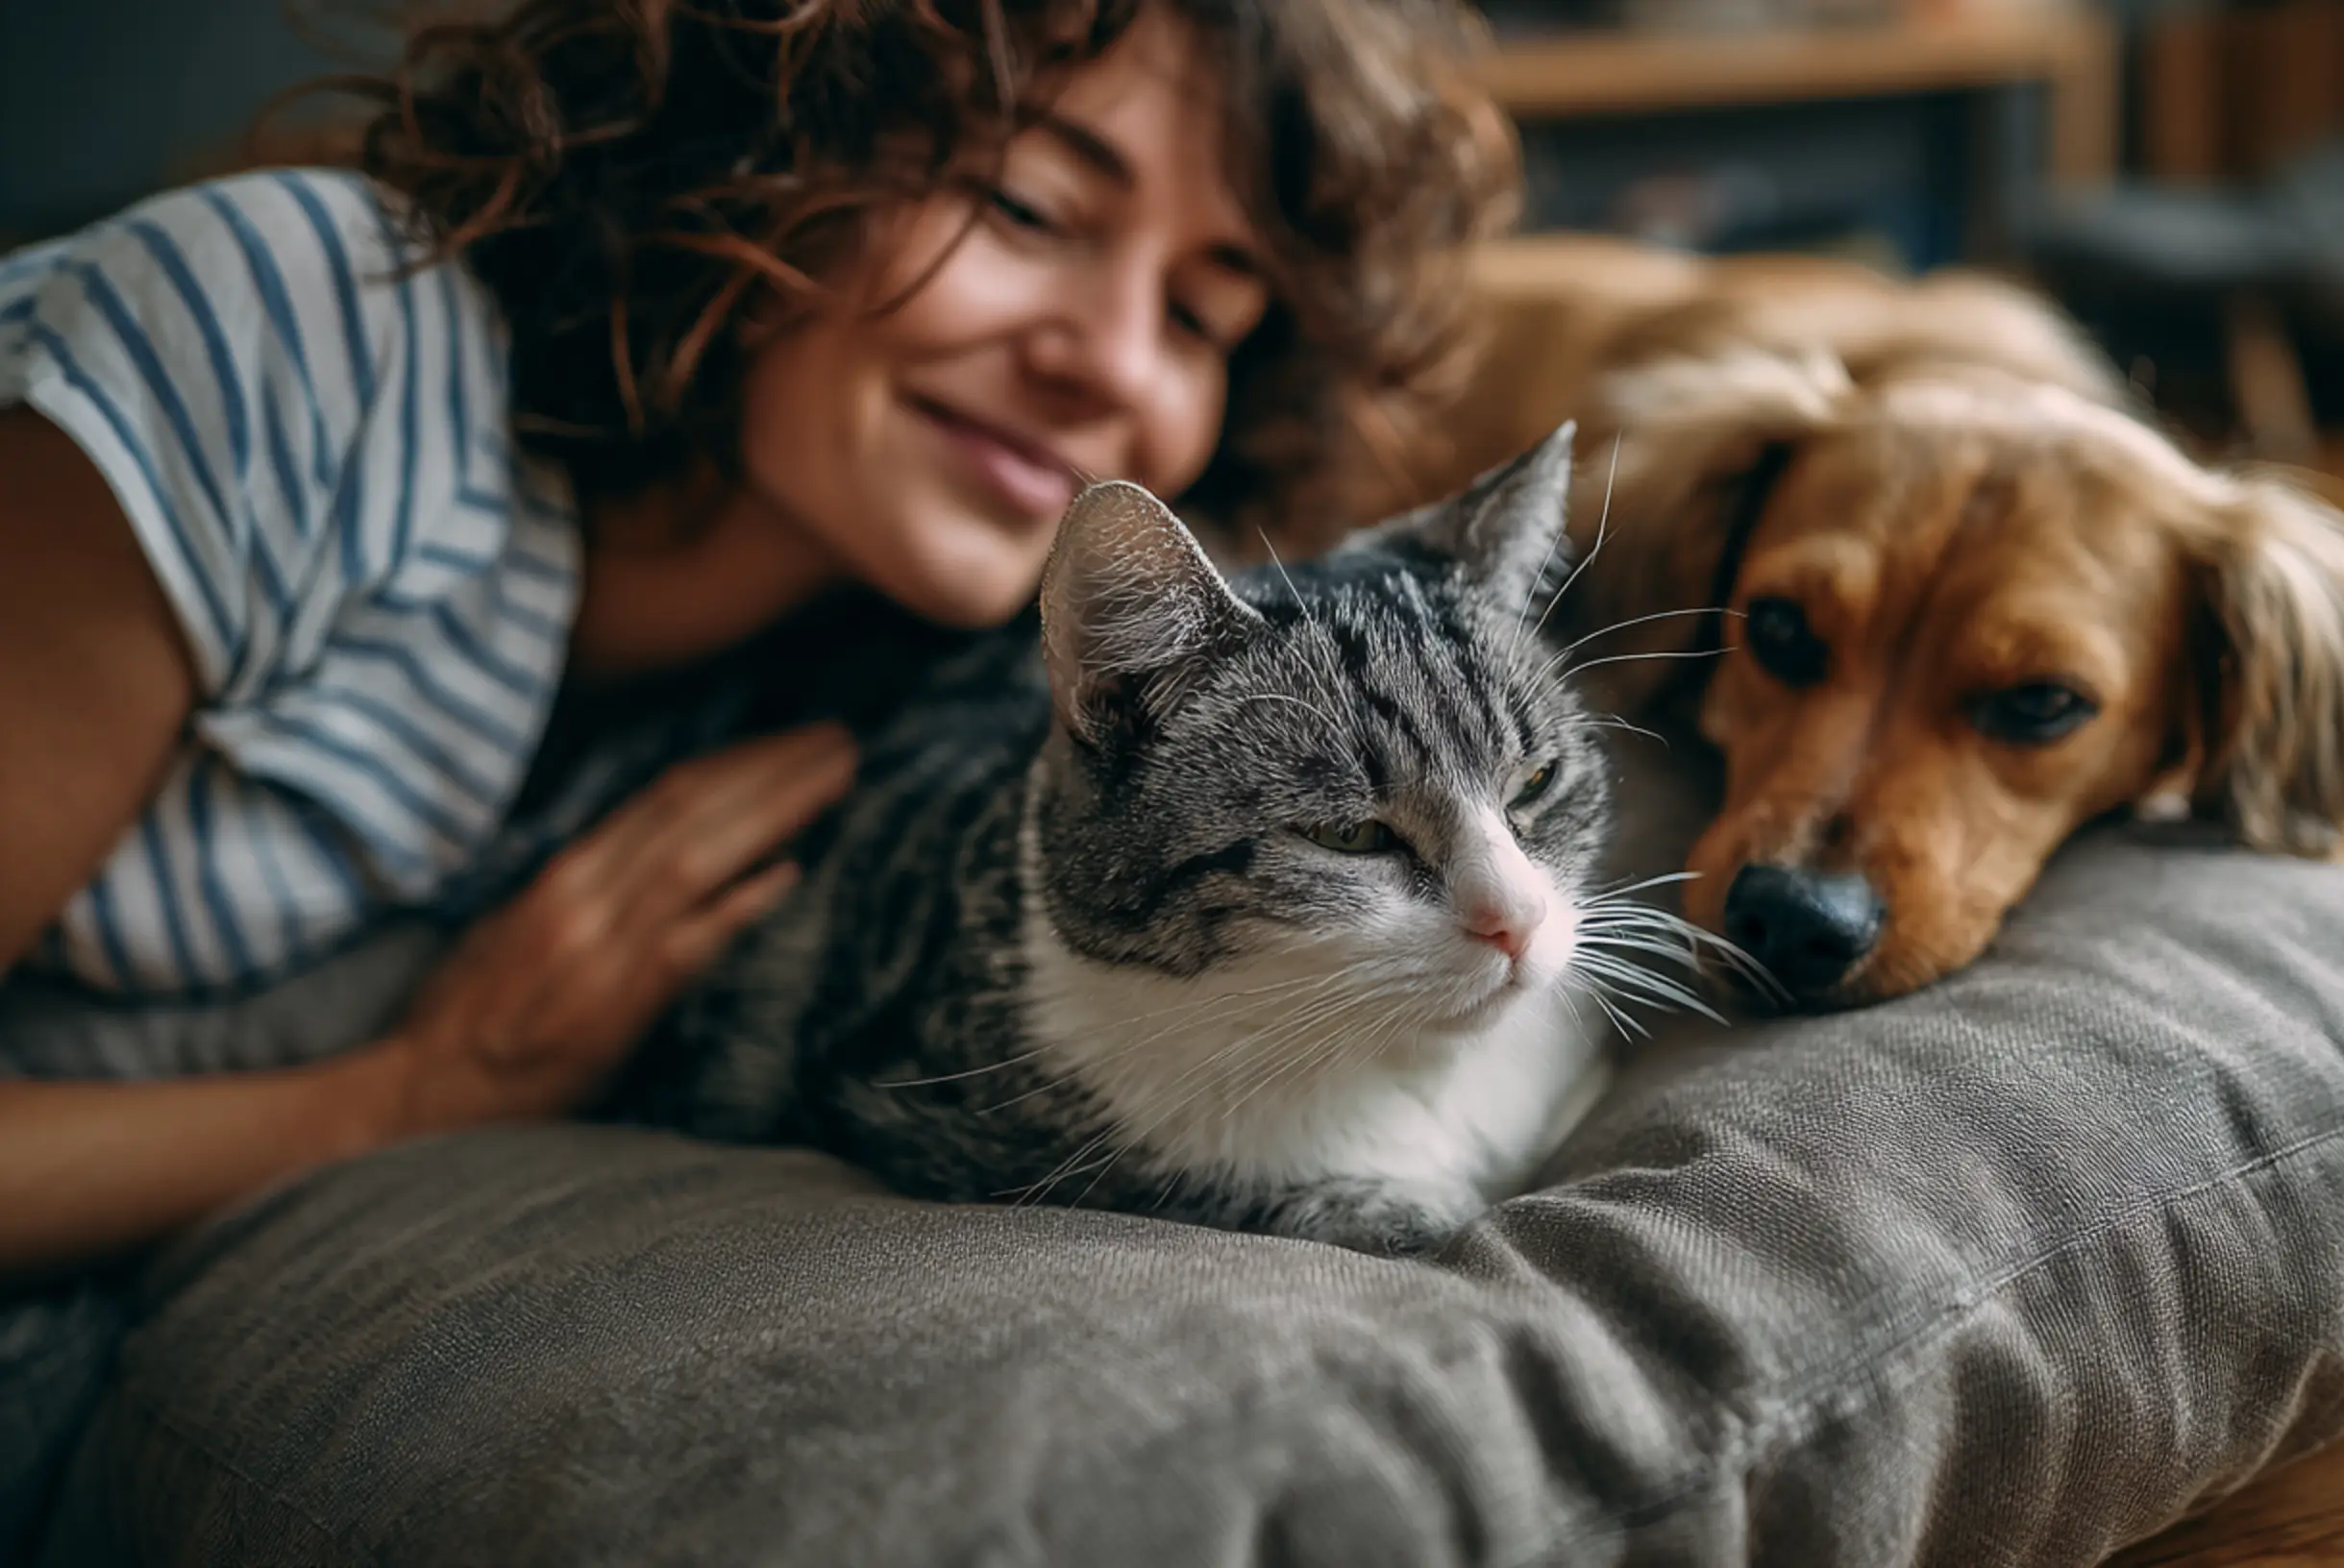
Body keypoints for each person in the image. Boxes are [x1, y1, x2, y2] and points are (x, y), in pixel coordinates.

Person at [0, 0, 1513, 1535]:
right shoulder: (296, 331)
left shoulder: (928, 662)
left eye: (1203, 316)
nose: (1111, 364)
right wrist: (409, 1096)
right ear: (765, 145)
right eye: (1029, 207)